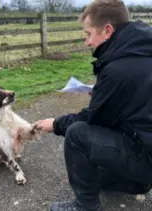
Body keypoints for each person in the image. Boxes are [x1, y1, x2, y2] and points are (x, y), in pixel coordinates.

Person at [33, 0, 152, 210]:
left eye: (88, 34)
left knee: (78, 133)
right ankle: (135, 182)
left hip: (146, 157)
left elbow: (92, 118)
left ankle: (85, 206)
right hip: (146, 143)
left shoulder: (118, 69)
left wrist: (56, 124)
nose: (87, 42)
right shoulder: (142, 51)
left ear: (107, 30)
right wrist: (102, 93)